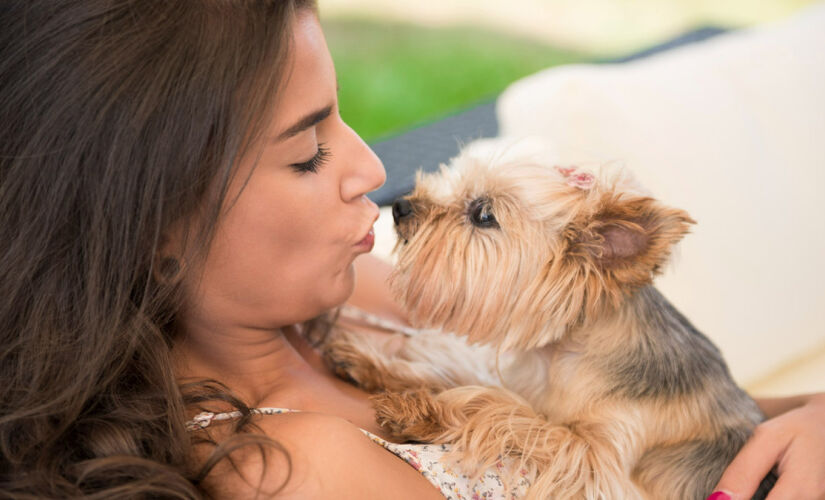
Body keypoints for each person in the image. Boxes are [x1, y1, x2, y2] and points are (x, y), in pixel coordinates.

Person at [0, 1, 822, 498]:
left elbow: (670, 433)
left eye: (339, 115)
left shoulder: (349, 288)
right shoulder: (294, 470)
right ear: (151, 233)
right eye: (306, 153)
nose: (370, 169)